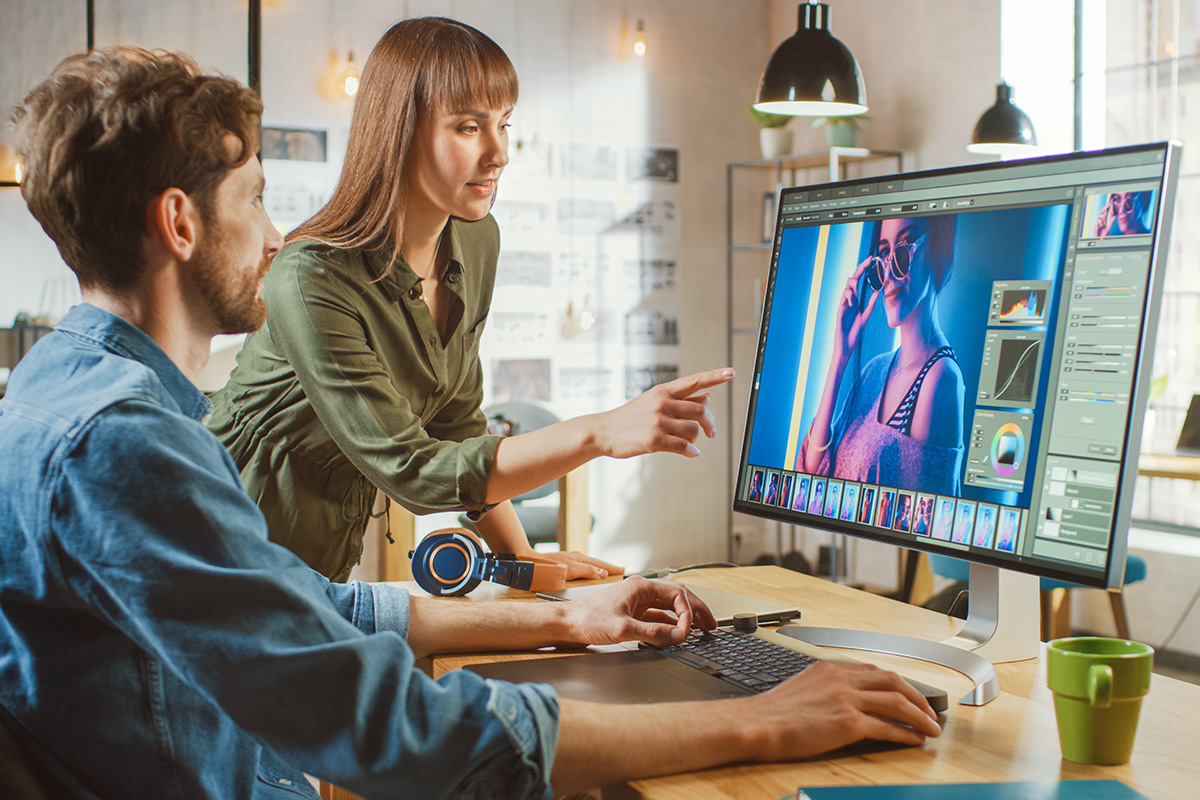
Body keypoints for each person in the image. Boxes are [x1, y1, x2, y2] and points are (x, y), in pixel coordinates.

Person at [0, 45, 941, 800]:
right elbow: (385, 726)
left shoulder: (69, 385)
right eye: (254, 200)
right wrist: (766, 716)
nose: (278, 233)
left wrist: (561, 616)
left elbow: (308, 609)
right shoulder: (123, 443)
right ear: (180, 223)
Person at [206, 16, 728, 582]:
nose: (498, 153)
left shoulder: (476, 239)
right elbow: (411, 469)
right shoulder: (310, 276)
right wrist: (599, 431)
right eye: (468, 127)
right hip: (224, 540)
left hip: (322, 560)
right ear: (399, 131)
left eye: (503, 124)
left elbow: (456, 424)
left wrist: (522, 559)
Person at [798, 216, 965, 497]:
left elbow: (922, 526)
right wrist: (839, 358)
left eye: (902, 252)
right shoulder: (875, 370)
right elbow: (810, 475)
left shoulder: (940, 379)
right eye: (884, 255)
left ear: (938, 249)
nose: (889, 275)